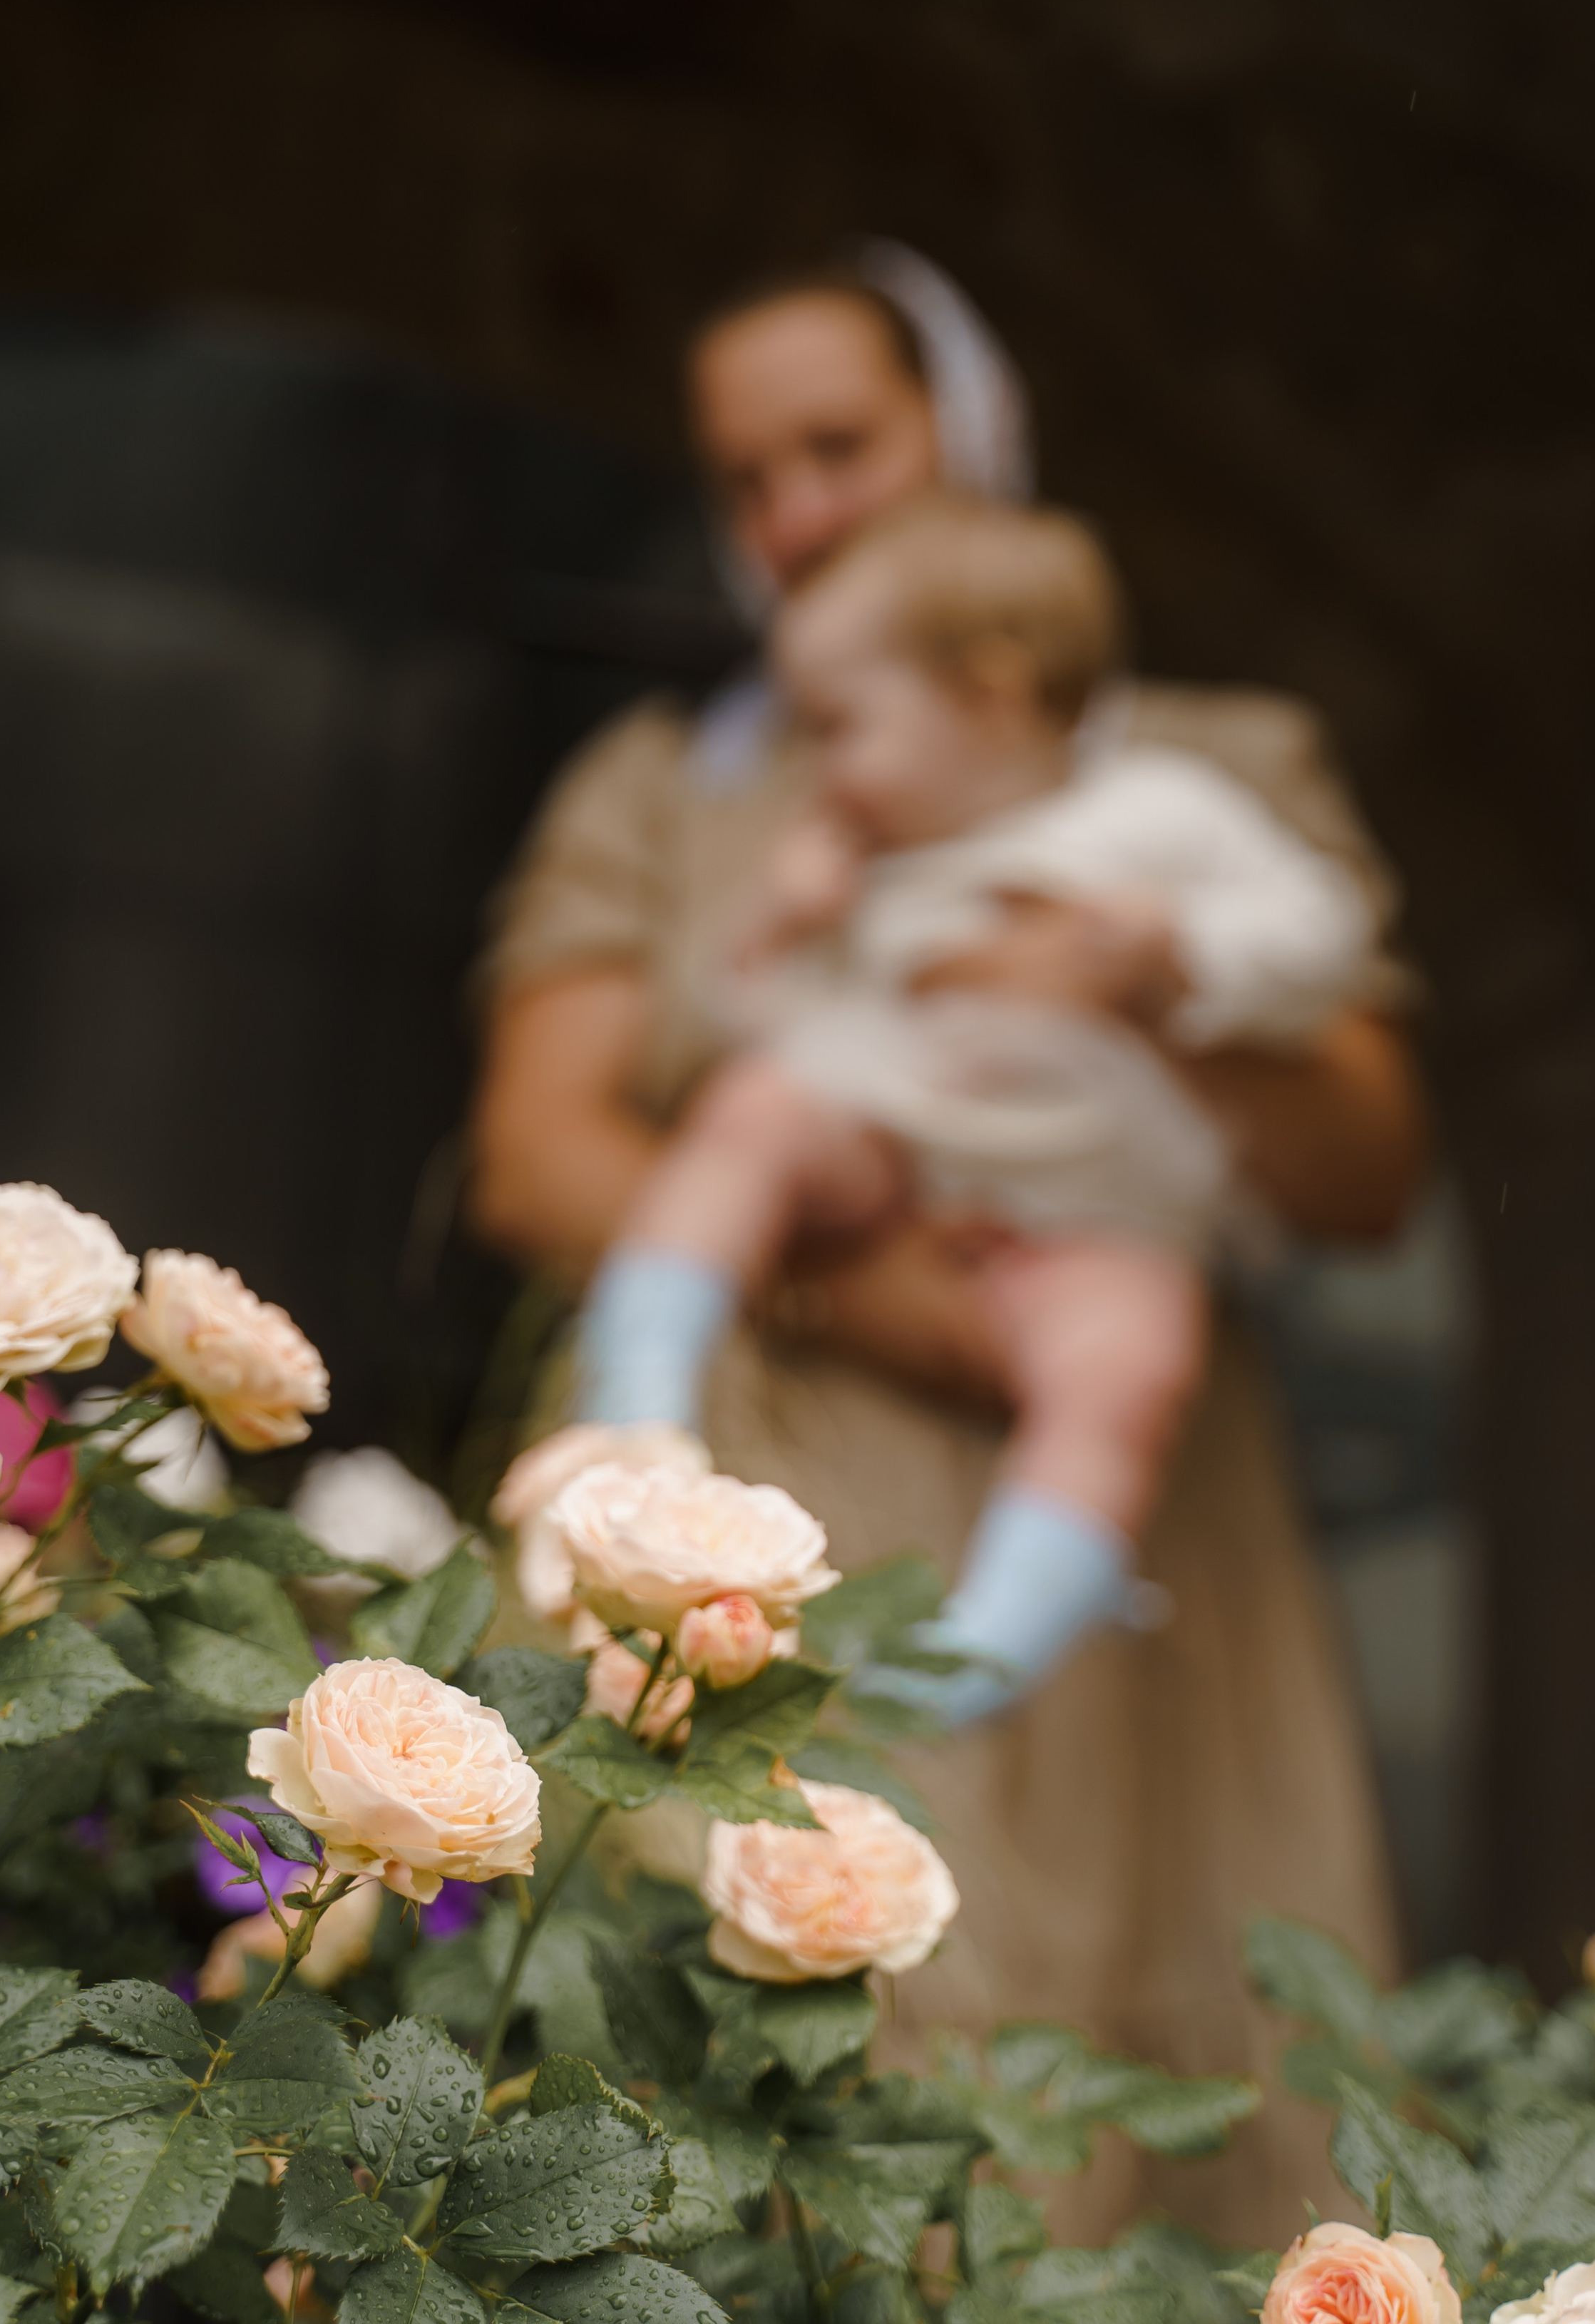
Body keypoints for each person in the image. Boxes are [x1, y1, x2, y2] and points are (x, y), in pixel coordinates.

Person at [471, 249, 1427, 2241]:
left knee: (1086, 2107)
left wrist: (1123, 997)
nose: (796, 512)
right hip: (739, 1475)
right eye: (747, 479)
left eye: (842, 445)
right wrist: (869, 1284)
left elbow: (1368, 1165)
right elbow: (539, 1148)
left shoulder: (1201, 772)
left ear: (972, 433)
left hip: (1104, 1510)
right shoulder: (681, 788)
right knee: (710, 2073)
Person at [574, 496, 1383, 1729]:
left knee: (1128, 1375)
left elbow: (1325, 934)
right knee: (755, 1112)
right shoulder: (872, 856)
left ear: (990, 697)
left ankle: (990, 1642)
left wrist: (1180, 954)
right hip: (893, 1150)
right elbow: (755, 1023)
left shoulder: (1158, 813)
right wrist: (781, 925)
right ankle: (639, 1385)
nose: (822, 766)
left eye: (843, 726)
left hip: (1095, 1211)